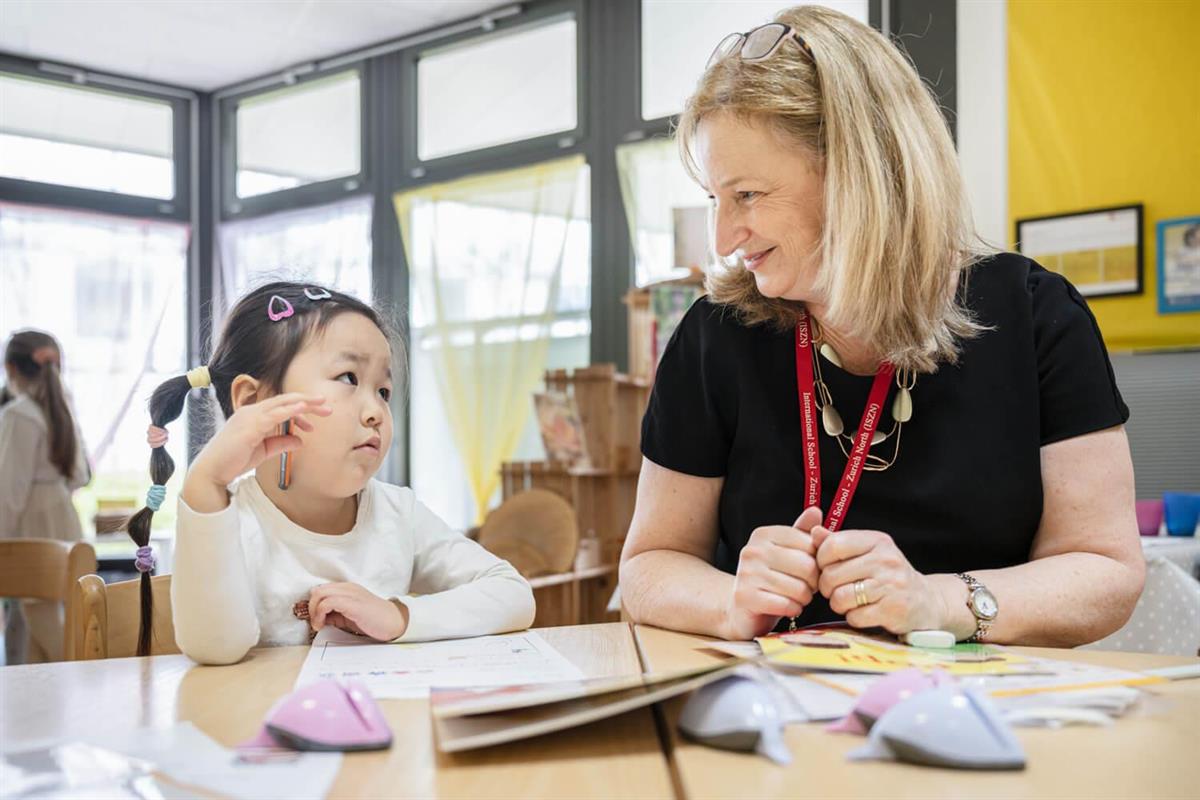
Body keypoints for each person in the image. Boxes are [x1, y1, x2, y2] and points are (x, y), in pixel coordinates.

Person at [619, 5, 1145, 646]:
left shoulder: (1037, 315)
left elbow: (1107, 571)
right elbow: (647, 567)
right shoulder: (714, 335)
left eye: (748, 195)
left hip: (979, 715)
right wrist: (728, 600)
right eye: (714, 199)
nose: (724, 238)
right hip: (772, 714)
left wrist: (939, 601)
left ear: (859, 176)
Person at [138, 282, 534, 663]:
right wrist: (206, 483)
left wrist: (398, 616)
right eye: (349, 378)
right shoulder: (230, 523)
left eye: (383, 390)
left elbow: (514, 595)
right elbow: (215, 649)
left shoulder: (398, 513)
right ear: (255, 400)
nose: (376, 411)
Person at [0, 330, 91, 663]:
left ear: (11, 368)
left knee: (39, 629)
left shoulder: (18, 414)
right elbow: (79, 475)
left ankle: (71, 687)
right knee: (42, 627)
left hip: (29, 530)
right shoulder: (61, 407)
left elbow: (9, 492)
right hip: (64, 519)